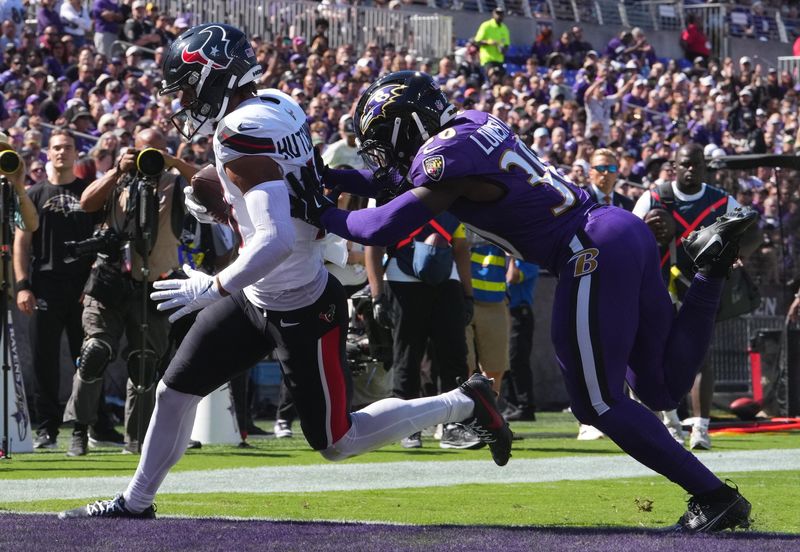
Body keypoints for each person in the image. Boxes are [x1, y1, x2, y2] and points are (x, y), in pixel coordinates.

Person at [59, 23, 511, 521]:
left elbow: (274, 238)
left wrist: (213, 284)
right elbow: (296, 193)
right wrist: (230, 207)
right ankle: (136, 501)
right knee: (174, 391)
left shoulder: (241, 132)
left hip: (301, 303)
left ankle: (462, 403)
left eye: (187, 85)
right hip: (259, 297)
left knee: (337, 441)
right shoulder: (276, 103)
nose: (182, 100)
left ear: (215, 76)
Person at [287, 70, 757, 533]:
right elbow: (395, 183)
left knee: (597, 403)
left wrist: (314, 207)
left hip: (587, 250)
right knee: (658, 390)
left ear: (408, 126)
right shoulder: (471, 123)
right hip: (618, 231)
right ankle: (709, 273)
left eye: (385, 140)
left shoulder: (444, 157)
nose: (385, 155)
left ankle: (716, 497)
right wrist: (333, 176)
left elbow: (382, 226)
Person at [61, 129, 194, 456]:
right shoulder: (119, 178)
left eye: (155, 151)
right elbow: (86, 202)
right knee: (95, 351)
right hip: (108, 279)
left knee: (146, 363)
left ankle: (136, 440)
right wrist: (117, 170)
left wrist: (173, 162)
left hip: (154, 282)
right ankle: (80, 429)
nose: (147, 157)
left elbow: (210, 185)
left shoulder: (175, 182)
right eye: (142, 150)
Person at [633, 143, 760, 451]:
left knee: (701, 355)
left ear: (704, 167)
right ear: (675, 167)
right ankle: (669, 424)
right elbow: (630, 234)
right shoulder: (653, 197)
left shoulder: (719, 199)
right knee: (656, 355)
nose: (691, 170)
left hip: (700, 287)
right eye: (685, 164)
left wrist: (738, 253)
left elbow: (753, 231)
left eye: (696, 165)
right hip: (658, 286)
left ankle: (700, 429)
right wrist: (650, 233)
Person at [13, 130, 119, 449]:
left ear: (76, 154)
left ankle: (86, 428)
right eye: (56, 148)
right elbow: (22, 243)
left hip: (84, 289)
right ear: (48, 153)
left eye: (67, 148)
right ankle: (47, 429)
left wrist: (93, 285)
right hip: (45, 286)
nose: (61, 153)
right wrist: (22, 285)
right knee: (44, 361)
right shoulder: (34, 193)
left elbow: (103, 242)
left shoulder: (89, 193)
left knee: (86, 360)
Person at [502, 260, 539, 421]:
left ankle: (525, 407)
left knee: (517, 360)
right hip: (504, 312)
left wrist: (510, 258)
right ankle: (512, 405)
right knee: (506, 362)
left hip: (519, 314)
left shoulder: (527, 262)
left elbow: (512, 278)